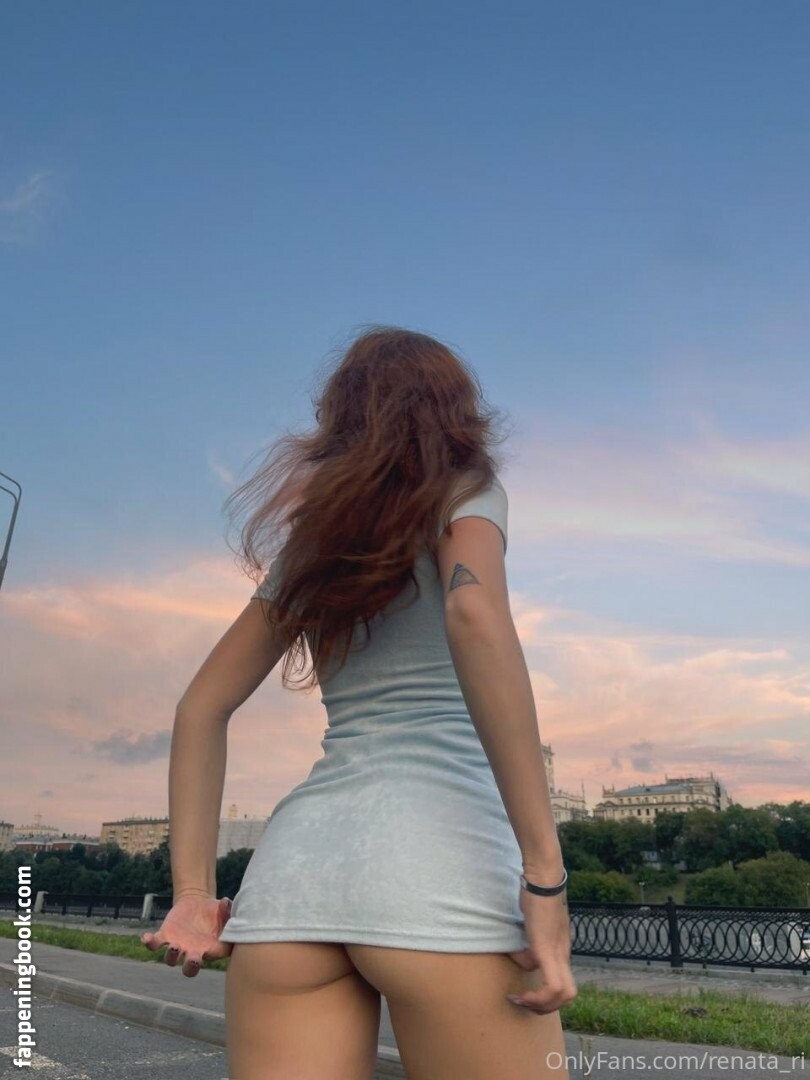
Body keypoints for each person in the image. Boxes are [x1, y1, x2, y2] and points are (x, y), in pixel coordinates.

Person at [141, 325, 577, 1079]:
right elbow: (473, 612)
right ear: (454, 409)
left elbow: (199, 708)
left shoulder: (315, 546)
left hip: (293, 886)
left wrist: (192, 894)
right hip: (441, 879)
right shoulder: (468, 488)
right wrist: (546, 876)